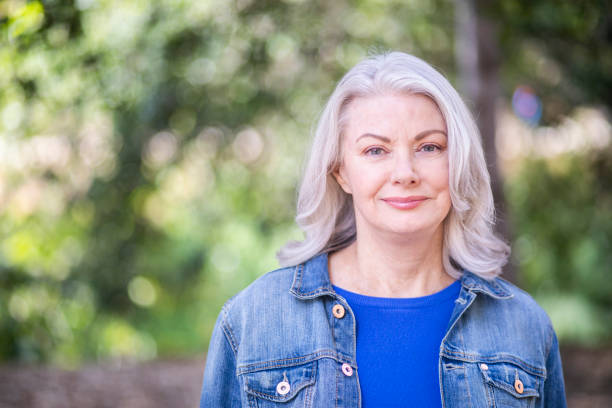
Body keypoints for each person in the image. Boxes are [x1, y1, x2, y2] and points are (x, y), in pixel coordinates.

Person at [199, 51, 567, 407]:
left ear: (458, 160)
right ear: (341, 170)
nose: (405, 173)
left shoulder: (524, 327)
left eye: (429, 147)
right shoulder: (252, 320)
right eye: (376, 150)